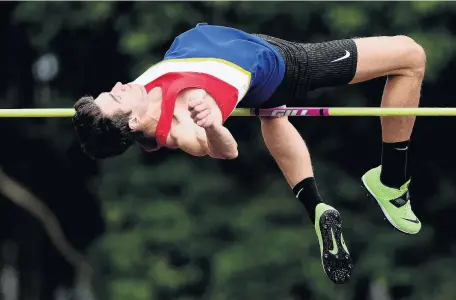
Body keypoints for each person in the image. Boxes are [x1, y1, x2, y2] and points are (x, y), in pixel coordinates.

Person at [72, 23, 426, 284]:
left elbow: (112, 130)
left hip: (249, 62)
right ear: (131, 119)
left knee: (273, 115)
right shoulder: (180, 128)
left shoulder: (140, 99)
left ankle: (315, 204)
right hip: (282, 62)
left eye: (111, 90)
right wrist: (212, 125)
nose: (119, 86)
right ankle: (392, 182)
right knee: (410, 55)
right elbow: (225, 151)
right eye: (115, 96)